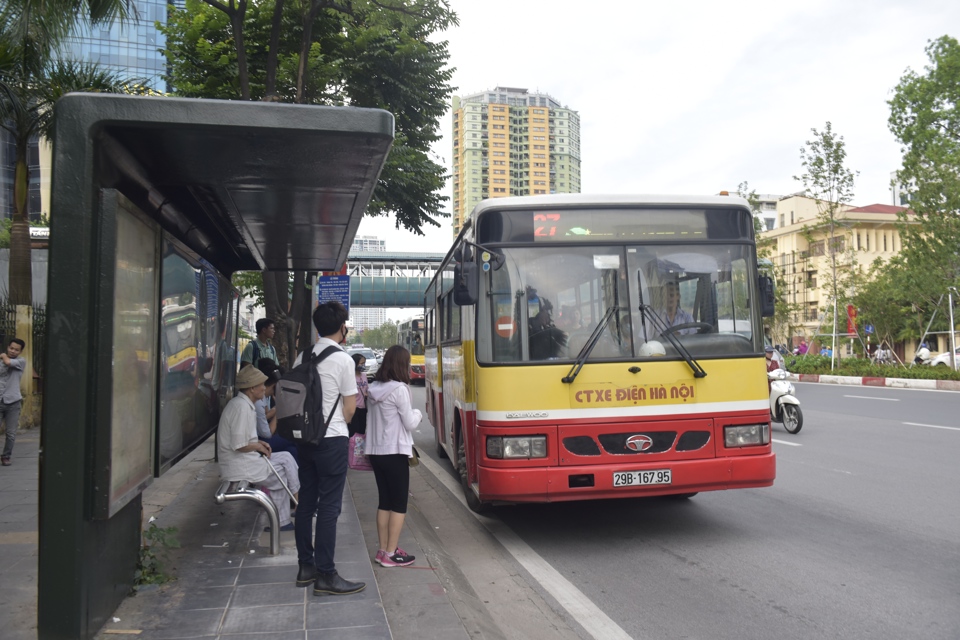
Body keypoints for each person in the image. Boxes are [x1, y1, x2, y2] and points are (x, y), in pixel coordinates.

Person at [293, 300, 365, 596]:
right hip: (332, 439)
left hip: (304, 440)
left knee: (306, 502)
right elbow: (350, 407)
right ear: (342, 327)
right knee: (329, 507)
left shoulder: (302, 356)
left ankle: (305, 567)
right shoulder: (343, 360)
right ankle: (326, 574)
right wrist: (338, 427)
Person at [217, 365, 300, 531]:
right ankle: (288, 516)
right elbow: (239, 445)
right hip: (239, 464)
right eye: (262, 385)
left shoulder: (243, 404)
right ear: (252, 388)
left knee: (286, 457)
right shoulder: (241, 407)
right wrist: (258, 446)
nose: (265, 387)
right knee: (282, 473)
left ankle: (296, 504)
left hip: (244, 459)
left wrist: (259, 444)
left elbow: (244, 440)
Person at [364, 345, 422, 568]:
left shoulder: (373, 387)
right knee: (399, 503)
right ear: (402, 365)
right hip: (395, 452)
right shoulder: (400, 389)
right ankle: (391, 553)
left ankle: (382, 550)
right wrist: (417, 413)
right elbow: (409, 423)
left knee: (384, 501)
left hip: (376, 452)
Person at [254, 359, 298, 461]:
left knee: (292, 450)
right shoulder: (259, 401)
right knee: (293, 439)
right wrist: (279, 409)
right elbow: (267, 433)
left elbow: (264, 416)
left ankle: (296, 476)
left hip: (260, 437)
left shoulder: (264, 398)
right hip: (260, 441)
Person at [0, 338, 26, 466]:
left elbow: (8, 362)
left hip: (13, 402)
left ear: (20, 351)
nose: (13, 351)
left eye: (16, 350)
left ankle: (6, 456)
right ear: (7, 347)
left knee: (10, 433)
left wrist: (3, 355)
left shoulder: (20, 362)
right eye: (11, 348)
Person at [349, 353, 369, 437]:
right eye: (361, 363)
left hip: (363, 408)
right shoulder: (350, 377)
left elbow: (367, 389)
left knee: (362, 432)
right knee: (353, 432)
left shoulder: (364, 376)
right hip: (354, 409)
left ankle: (359, 449)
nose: (363, 365)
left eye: (364, 363)